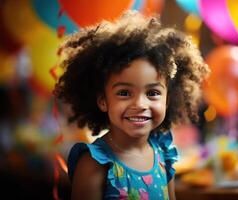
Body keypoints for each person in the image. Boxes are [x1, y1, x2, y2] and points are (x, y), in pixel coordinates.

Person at [53, 10, 209, 200]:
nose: (140, 104)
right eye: (124, 93)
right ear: (103, 100)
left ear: (167, 101)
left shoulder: (163, 155)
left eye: (152, 93)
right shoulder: (94, 163)